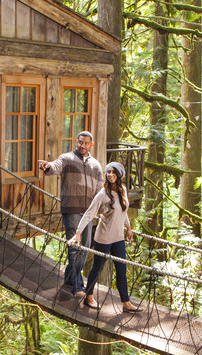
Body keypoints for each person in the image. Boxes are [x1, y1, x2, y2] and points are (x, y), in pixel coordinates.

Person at [68, 161, 141, 313]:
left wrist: (128, 227)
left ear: (119, 175)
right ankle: (89, 296)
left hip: (118, 237)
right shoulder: (103, 194)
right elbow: (89, 214)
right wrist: (78, 233)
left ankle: (126, 302)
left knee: (121, 269)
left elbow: (123, 211)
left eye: (114, 172)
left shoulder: (123, 190)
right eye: (108, 172)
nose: (110, 175)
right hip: (104, 237)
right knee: (97, 268)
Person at [38, 131, 103, 298]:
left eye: (86, 143)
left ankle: (69, 277)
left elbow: (100, 190)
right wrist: (48, 166)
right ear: (77, 141)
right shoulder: (67, 158)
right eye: (80, 142)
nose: (82, 145)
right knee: (75, 248)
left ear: (91, 145)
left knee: (86, 249)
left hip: (88, 212)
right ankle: (77, 287)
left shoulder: (96, 165)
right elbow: (55, 166)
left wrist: (102, 210)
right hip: (72, 209)